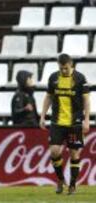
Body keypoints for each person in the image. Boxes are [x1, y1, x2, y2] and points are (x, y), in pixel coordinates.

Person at [40, 53, 90, 195]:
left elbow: (86, 101)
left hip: (74, 123)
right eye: (61, 68)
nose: (63, 71)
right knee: (54, 151)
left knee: (74, 154)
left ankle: (73, 185)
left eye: (66, 68)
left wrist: (87, 120)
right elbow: (48, 97)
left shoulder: (80, 79)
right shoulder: (53, 78)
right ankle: (61, 180)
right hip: (57, 122)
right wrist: (42, 116)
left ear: (71, 65)